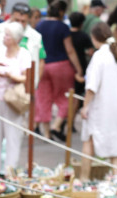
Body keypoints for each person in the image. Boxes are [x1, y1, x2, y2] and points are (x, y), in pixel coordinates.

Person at [79, 22, 117, 181]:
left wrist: (85, 106)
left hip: (101, 106)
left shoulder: (100, 56)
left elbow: (92, 86)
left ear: (94, 38)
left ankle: (84, 178)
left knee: (89, 140)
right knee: (116, 145)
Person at [34, 0, 85, 141]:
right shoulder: (62, 27)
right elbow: (70, 50)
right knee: (67, 97)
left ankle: (46, 132)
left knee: (43, 97)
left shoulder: (40, 26)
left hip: (43, 65)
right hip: (61, 65)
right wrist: (79, 69)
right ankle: (56, 125)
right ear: (62, 12)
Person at [0, 21, 32, 176]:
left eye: (7, 35)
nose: (4, 37)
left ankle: (9, 171)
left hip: (13, 100)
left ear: (14, 38)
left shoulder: (24, 54)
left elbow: (27, 78)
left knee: (13, 137)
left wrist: (10, 74)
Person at [0, 3, 46, 84]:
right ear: (10, 16)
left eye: (23, 21)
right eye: (16, 20)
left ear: (28, 20)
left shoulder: (36, 36)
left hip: (25, 88)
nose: (19, 24)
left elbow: (41, 61)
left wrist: (36, 83)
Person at [68, 12, 93, 133]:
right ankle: (70, 122)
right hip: (80, 69)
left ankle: (67, 121)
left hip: (67, 67)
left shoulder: (67, 35)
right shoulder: (84, 36)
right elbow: (90, 51)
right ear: (82, 23)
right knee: (77, 97)